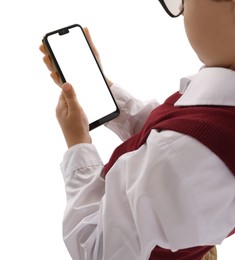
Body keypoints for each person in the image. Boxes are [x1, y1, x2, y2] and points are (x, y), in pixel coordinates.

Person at [40, 0, 235, 259]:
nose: (182, 10)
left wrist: (78, 143)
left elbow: (97, 248)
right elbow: (170, 134)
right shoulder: (218, 109)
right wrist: (107, 92)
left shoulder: (181, 157)